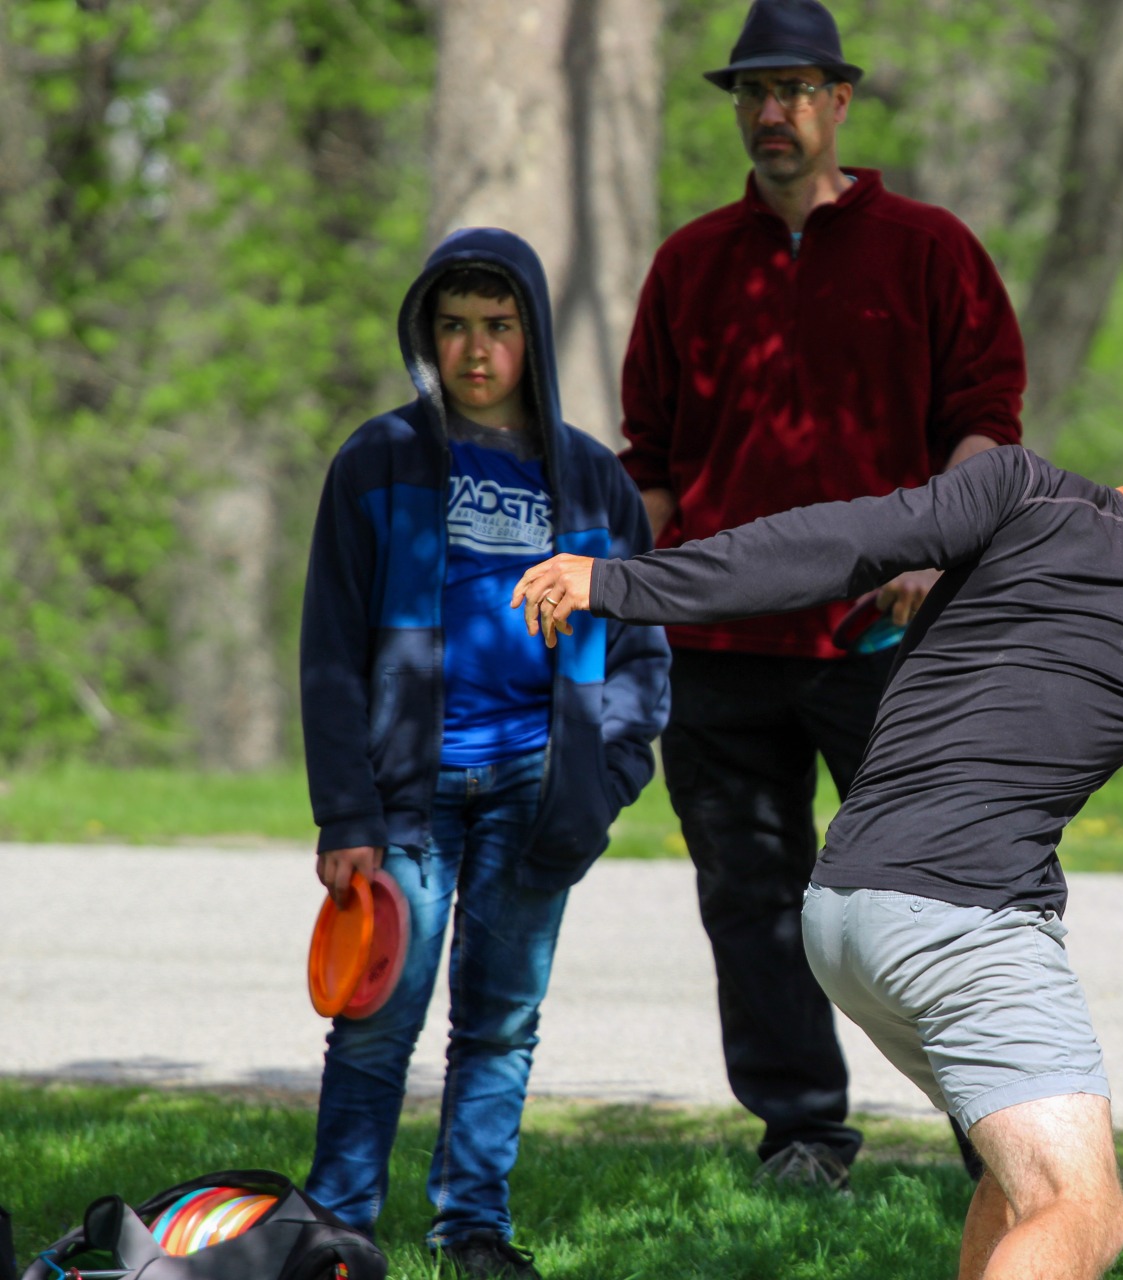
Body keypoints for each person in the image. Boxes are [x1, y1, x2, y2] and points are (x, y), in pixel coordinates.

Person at [515, 363, 1123, 1280]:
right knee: (1080, 1209)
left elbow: (827, 543)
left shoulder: (1015, 491)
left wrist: (620, 583)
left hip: (844, 910)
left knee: (1017, 1180)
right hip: (966, 924)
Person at [618, 0, 1025, 1186]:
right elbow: (650, 459)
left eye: (794, 90)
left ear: (840, 101)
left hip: (882, 637)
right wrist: (617, 599)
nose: (772, 113)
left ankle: (996, 1137)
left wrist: (934, 546)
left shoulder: (930, 248)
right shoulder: (690, 264)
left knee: (932, 896)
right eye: (752, 92)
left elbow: (986, 430)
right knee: (749, 900)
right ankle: (802, 1131)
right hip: (718, 646)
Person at [299, 227, 671, 1280]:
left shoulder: (595, 484)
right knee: (378, 1015)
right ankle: (337, 1224)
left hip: (538, 784)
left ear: (533, 336)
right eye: (454, 325)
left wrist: (605, 777)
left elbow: (641, 647)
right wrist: (346, 812)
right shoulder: (376, 462)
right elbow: (328, 647)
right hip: (403, 794)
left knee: (502, 1020)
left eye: (498, 326)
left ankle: (472, 1224)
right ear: (426, 334)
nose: (474, 348)